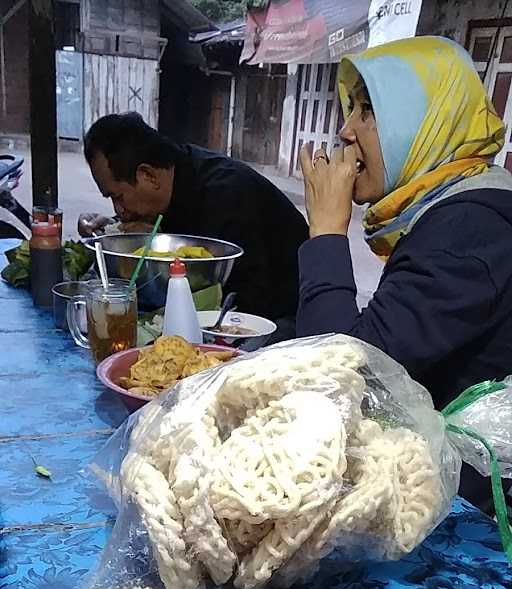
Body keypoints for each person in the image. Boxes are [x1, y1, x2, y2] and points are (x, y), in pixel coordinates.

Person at [297, 35, 512, 512]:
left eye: (367, 112)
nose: (345, 132)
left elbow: (336, 377)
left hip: (475, 514)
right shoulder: (453, 210)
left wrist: (327, 232)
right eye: (350, 110)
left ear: (425, 122)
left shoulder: (468, 229)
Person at [80, 113, 309, 329]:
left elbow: (246, 303)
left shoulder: (225, 195)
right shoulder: (175, 177)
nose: (119, 210)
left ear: (148, 175)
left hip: (290, 317)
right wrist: (113, 227)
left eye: (118, 197)